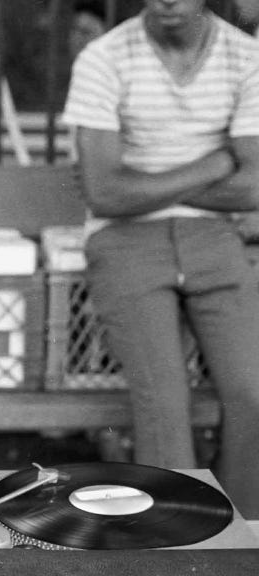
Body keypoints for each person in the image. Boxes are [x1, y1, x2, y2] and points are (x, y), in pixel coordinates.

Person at [63, 0, 259, 518]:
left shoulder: (247, 57)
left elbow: (255, 184)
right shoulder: (104, 58)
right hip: (124, 241)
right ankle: (178, 538)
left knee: (253, 389)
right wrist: (217, 163)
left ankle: (243, 529)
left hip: (213, 239)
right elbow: (104, 195)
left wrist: (148, 186)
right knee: (163, 403)